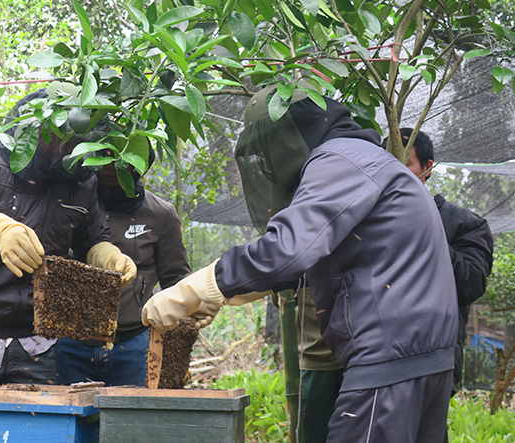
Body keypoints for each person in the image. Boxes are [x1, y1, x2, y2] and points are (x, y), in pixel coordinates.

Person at [143, 85, 459, 442]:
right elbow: (311, 259)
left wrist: (198, 285)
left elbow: (288, 249)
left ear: (286, 136)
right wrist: (217, 296)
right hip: (425, 357)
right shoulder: (367, 159)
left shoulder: (338, 160)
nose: (266, 164)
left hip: (389, 360)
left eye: (266, 152)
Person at [0, 90, 136, 443]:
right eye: (60, 135)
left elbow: (91, 239)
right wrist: (0, 227)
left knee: (40, 435)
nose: (68, 145)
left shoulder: (82, 181)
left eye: (75, 138)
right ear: (35, 127)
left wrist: (109, 258)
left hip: (39, 344)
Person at [387, 127, 494, 441]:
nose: (392, 174)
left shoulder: (464, 224)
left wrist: (422, 228)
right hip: (373, 363)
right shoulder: (369, 221)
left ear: (428, 168)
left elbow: (471, 283)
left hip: (431, 364)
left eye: (404, 164)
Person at [55, 147, 192, 386]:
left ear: (140, 162)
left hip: (134, 344)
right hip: (70, 342)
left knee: (129, 421)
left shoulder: (160, 214)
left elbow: (176, 278)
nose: (112, 164)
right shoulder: (69, 205)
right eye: (105, 154)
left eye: (122, 156)